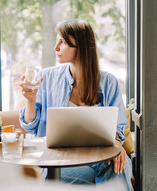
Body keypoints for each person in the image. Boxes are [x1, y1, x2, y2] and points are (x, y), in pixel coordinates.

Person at [19, 19, 133, 190]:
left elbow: (118, 127)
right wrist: (30, 101)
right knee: (115, 173)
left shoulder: (109, 83)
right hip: (61, 161)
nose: (56, 47)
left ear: (80, 47)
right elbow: (30, 126)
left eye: (63, 42)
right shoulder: (46, 77)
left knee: (116, 162)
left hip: (100, 157)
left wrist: (116, 143)